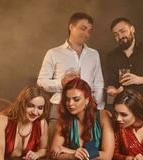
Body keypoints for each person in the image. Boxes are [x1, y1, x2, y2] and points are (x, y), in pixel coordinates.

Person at [37, 12, 105, 144]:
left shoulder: (94, 54)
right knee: (53, 152)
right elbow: (41, 81)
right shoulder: (53, 53)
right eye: (82, 28)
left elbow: (98, 83)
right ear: (71, 27)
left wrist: (99, 110)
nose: (86, 34)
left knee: (85, 152)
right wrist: (61, 82)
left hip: (87, 112)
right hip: (59, 108)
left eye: (89, 31)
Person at [0, 86, 50, 160]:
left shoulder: (42, 123)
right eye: (31, 106)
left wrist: (37, 154)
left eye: (40, 108)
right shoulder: (1, 119)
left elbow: (45, 149)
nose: (35, 112)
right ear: (22, 104)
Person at [50, 78, 114, 160]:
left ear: (87, 100)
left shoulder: (103, 116)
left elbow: (107, 157)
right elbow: (54, 152)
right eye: (67, 99)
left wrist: (68, 151)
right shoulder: (65, 119)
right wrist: (72, 155)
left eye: (76, 99)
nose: (70, 104)